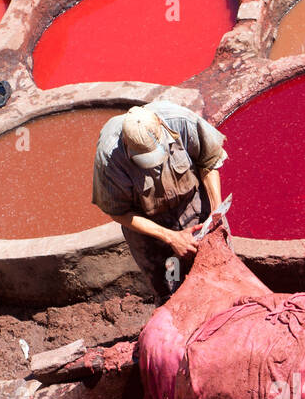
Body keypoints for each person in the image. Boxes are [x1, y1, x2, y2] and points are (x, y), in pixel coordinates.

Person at [92, 102, 227, 297]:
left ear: (161, 125)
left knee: (219, 271)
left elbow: (210, 162)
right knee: (172, 283)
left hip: (194, 205)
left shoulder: (182, 122)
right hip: (150, 227)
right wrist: (171, 237)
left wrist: (215, 212)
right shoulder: (109, 158)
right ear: (127, 145)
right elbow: (118, 213)